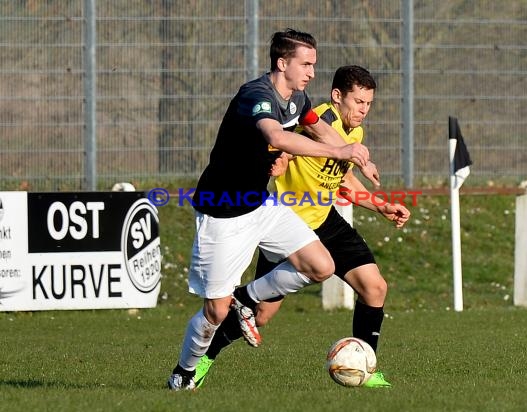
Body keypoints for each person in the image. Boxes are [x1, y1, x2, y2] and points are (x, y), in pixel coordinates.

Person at [167, 30, 378, 391]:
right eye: (305, 64)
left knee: (321, 265)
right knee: (215, 312)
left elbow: (315, 128)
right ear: (282, 63)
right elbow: (276, 137)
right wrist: (342, 152)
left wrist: (355, 156)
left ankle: (245, 298)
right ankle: (183, 373)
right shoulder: (256, 94)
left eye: (314, 64)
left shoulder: (298, 99)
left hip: (260, 206)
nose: (312, 71)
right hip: (221, 213)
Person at [192, 65, 411, 389]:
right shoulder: (317, 121)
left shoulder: (354, 133)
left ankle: (365, 367)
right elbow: (283, 142)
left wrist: (381, 206)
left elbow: (341, 180)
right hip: (290, 228)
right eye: (358, 102)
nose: (363, 110)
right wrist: (278, 158)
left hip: (325, 220)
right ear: (337, 96)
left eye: (368, 104)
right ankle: (204, 359)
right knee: (261, 315)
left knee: (374, 287)